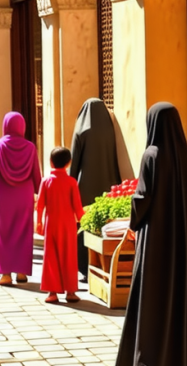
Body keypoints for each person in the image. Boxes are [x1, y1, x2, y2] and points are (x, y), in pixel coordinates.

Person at [116, 103, 187, 366]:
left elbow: (142, 198)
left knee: (151, 299)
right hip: (184, 244)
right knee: (180, 297)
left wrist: (133, 225)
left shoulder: (151, 155)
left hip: (154, 242)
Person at [0, 112, 42, 286]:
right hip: (24, 195)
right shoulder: (30, 147)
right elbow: (37, 175)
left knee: (3, 233)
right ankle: (22, 272)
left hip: (3, 195)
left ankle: (5, 274)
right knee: (24, 232)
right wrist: (40, 192)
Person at [69, 98, 122, 279]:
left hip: (85, 188)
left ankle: (84, 268)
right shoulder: (109, 129)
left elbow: (74, 160)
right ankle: (104, 267)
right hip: (108, 185)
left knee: (84, 227)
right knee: (104, 228)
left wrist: (70, 183)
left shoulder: (81, 129)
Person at [36, 147, 84, 302]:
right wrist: (84, 221)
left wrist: (39, 222)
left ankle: (52, 292)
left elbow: (40, 205)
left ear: (50, 162)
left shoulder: (46, 181)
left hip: (51, 224)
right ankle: (70, 291)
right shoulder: (71, 182)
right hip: (68, 226)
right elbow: (77, 207)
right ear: (69, 163)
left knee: (51, 256)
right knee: (69, 256)